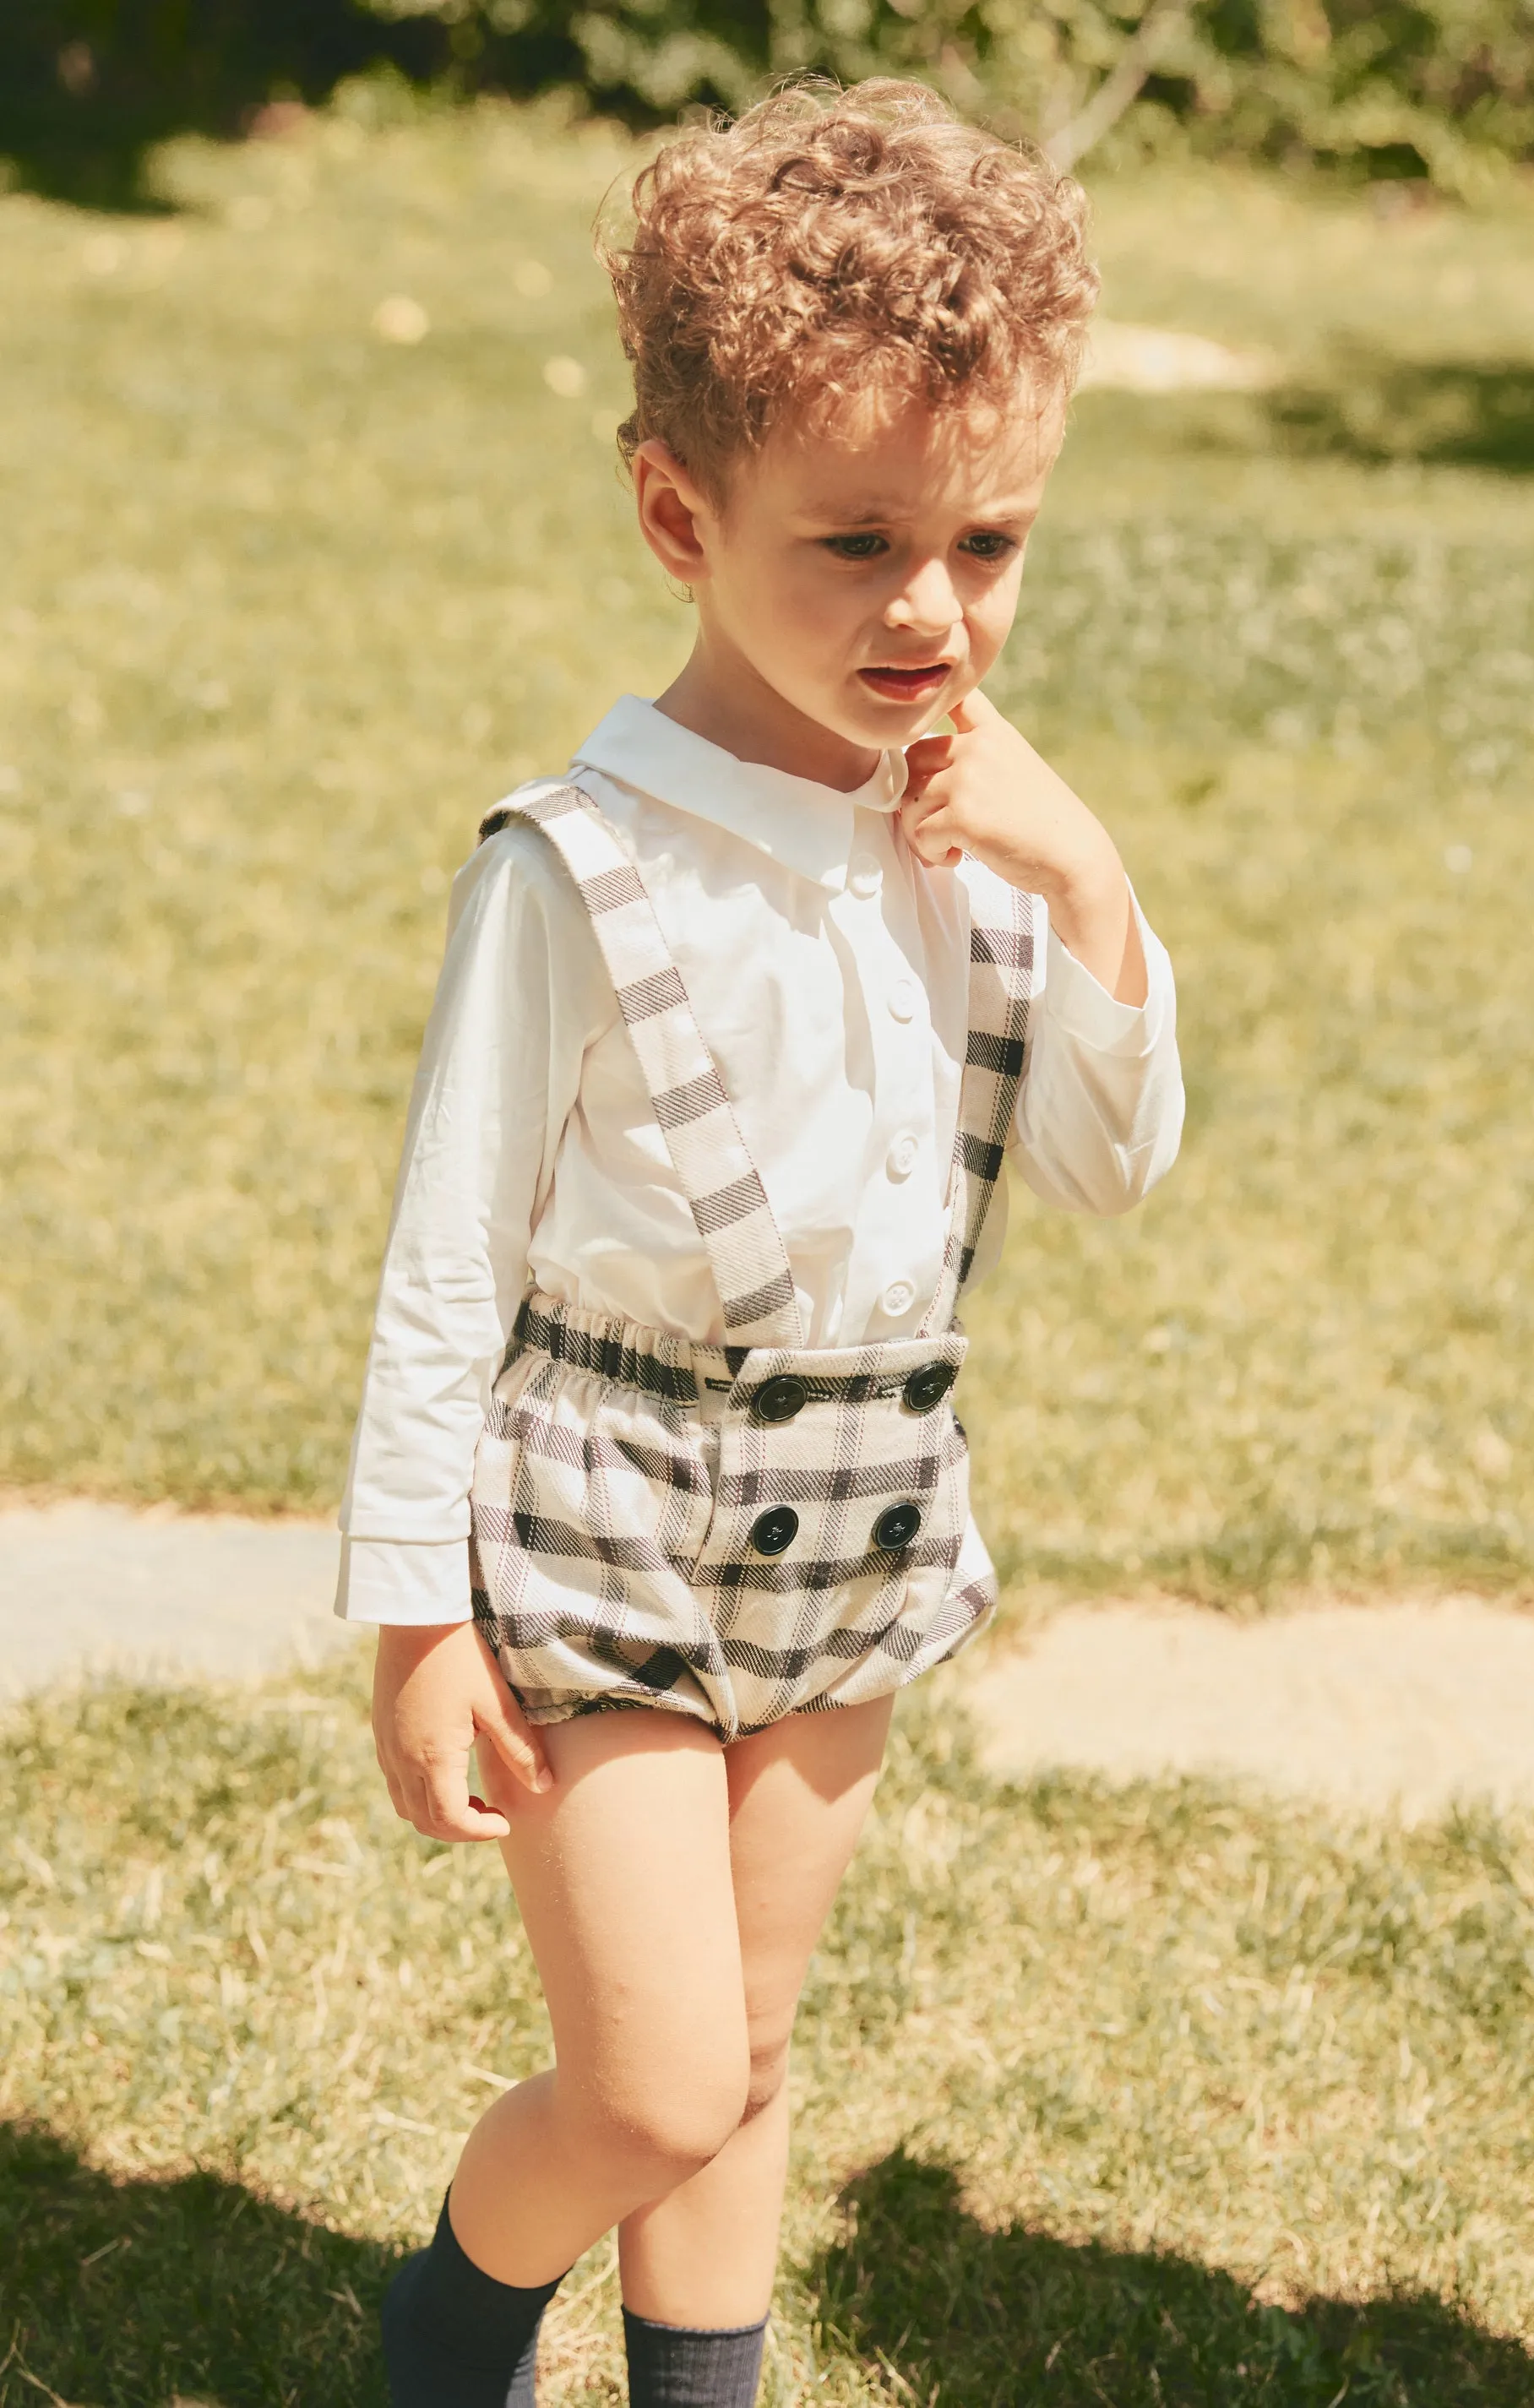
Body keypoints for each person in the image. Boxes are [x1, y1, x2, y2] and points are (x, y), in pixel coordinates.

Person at [337, 75, 1184, 2408]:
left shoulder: (975, 842)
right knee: (646, 2082)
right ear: (672, 512)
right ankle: (446, 2347)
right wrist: (415, 1613)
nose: (930, 610)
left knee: (756, 2049)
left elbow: (1109, 1162)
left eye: (989, 543)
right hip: (600, 1518)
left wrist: (1083, 882)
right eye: (854, 544)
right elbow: (443, 1257)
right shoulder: (575, 866)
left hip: (858, 1515)